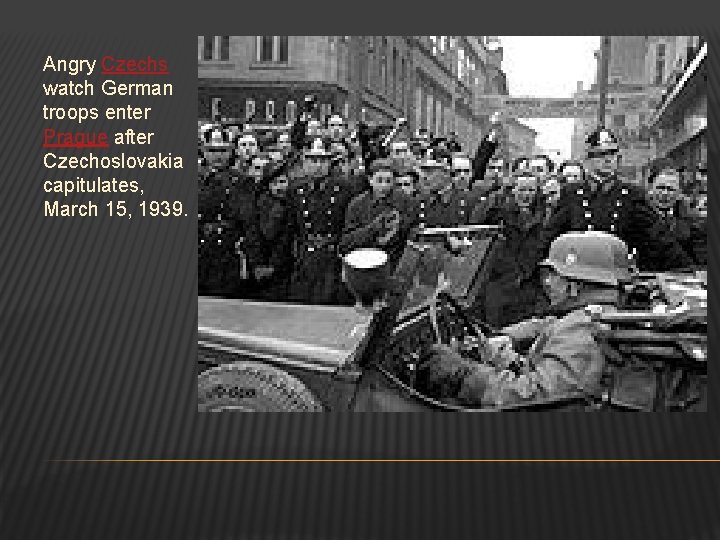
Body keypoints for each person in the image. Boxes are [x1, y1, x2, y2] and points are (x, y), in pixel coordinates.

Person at [417, 231, 656, 409]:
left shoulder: (581, 331)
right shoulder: (600, 314)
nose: (548, 283)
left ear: (575, 284)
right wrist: (506, 348)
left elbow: (535, 400)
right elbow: (548, 327)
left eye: (554, 275)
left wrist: (463, 375)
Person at [543, 127, 693, 271]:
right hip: (578, 275)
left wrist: (689, 270)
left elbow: (658, 239)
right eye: (601, 154)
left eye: (612, 154)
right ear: (588, 158)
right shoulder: (571, 193)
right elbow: (550, 236)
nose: (608, 159)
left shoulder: (632, 194)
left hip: (615, 277)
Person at [286, 138, 360, 304]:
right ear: (304, 163)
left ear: (329, 163)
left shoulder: (344, 189)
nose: (317, 165)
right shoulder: (296, 190)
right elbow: (290, 227)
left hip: (333, 256)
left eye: (322, 160)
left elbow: (348, 226)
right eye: (312, 160)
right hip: (306, 257)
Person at [470, 172, 548, 327]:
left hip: (527, 286)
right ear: (513, 190)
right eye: (522, 190)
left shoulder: (543, 215)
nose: (526, 195)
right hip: (498, 282)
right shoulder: (497, 214)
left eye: (531, 190)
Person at [340, 158, 418, 271]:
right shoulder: (357, 204)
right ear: (370, 180)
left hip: (396, 265)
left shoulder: (406, 202)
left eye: (388, 181)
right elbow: (346, 242)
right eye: (379, 180)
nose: (384, 186)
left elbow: (412, 233)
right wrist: (373, 229)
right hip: (365, 265)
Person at [198, 124, 248, 296]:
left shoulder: (241, 181)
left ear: (230, 152)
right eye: (212, 150)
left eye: (222, 150)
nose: (217, 155)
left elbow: (249, 222)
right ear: (203, 151)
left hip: (228, 252)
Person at [250, 162, 294, 301]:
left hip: (287, 267)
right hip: (268, 268)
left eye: (282, 182)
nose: (280, 187)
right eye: (274, 183)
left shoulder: (291, 203)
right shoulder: (263, 206)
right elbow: (264, 235)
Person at [648, 168, 706, 266]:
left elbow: (700, 262)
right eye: (660, 188)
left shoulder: (694, 223)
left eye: (670, 189)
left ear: (679, 194)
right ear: (651, 190)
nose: (665, 193)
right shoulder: (638, 217)